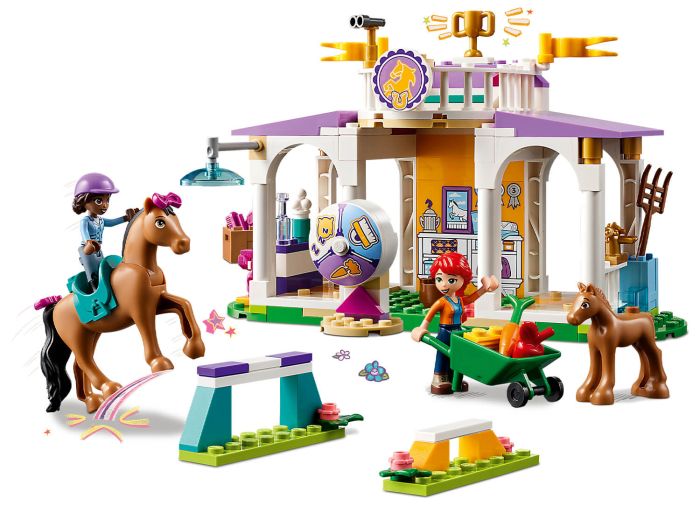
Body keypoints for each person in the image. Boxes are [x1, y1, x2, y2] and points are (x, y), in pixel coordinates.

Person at [411, 252, 499, 394]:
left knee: (458, 355)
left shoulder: (459, 300)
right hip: (445, 332)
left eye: (451, 280)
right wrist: (422, 328)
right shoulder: (442, 301)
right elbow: (430, 314)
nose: (444, 284)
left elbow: (472, 298)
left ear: (463, 280)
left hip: (458, 330)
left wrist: (485, 289)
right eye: (439, 279)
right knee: (442, 354)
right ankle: (438, 379)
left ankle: (454, 378)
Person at [72, 173, 138, 291]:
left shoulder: (101, 220)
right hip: (87, 249)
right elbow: (84, 232)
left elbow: (112, 222)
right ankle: (94, 288)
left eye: (107, 200)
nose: (105, 205)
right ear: (84, 201)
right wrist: (88, 242)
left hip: (97, 248)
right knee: (92, 270)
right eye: (99, 201)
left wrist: (126, 218)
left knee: (102, 268)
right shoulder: (85, 221)